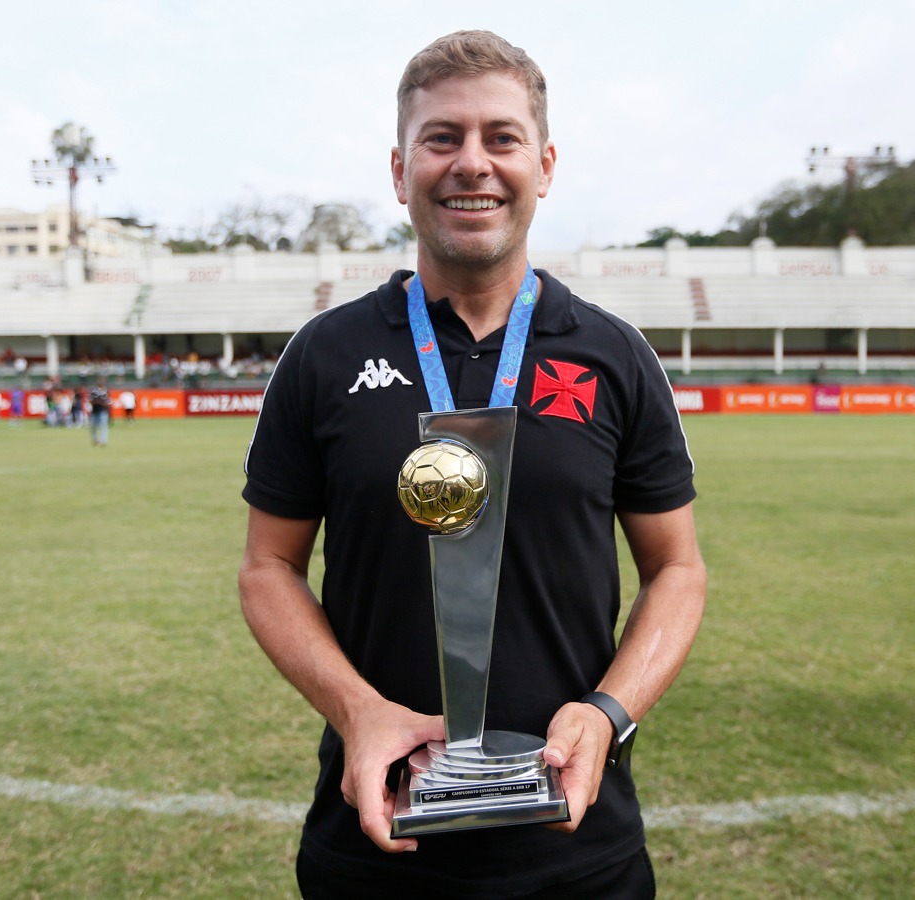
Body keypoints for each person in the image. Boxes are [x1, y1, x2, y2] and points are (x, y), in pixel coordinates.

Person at [238, 30, 706, 899]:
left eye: (501, 137)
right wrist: (359, 711)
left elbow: (677, 569)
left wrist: (608, 715)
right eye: (442, 138)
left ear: (545, 162)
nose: (472, 163)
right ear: (399, 167)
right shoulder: (322, 354)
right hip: (375, 844)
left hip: (578, 852)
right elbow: (268, 567)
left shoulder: (615, 355)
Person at [88, 380, 111, 447]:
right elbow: (90, 400)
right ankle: (95, 439)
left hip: (103, 411)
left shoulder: (106, 391)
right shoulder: (93, 391)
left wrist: (99, 402)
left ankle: (103, 441)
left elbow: (107, 402)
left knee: (103, 427)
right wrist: (98, 402)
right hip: (95, 411)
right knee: (93, 426)